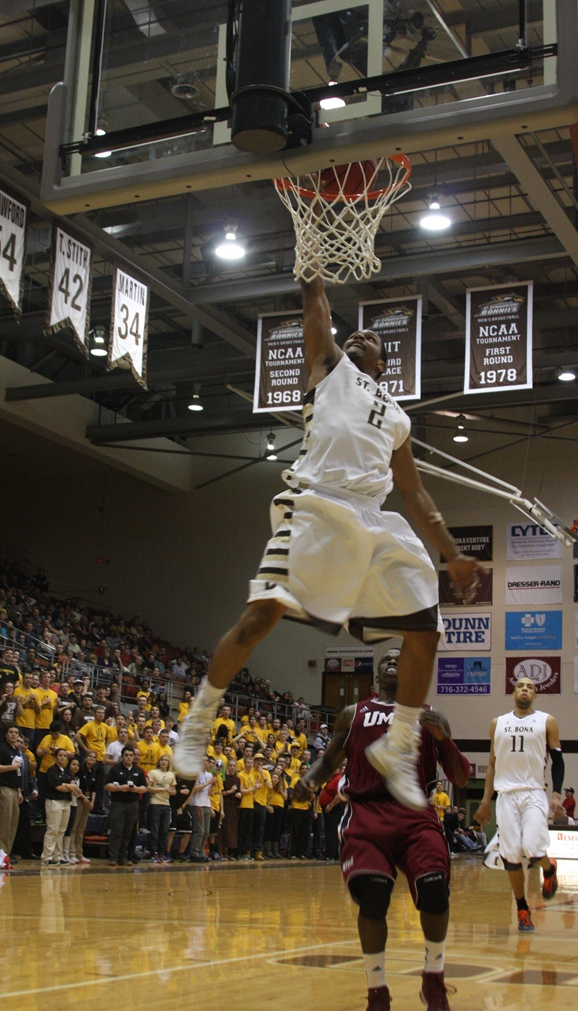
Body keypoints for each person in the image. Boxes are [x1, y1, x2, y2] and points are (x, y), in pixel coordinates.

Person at [174, 277, 482, 810]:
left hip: (375, 520)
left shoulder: (399, 418)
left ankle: (399, 743)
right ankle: (200, 718)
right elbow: (315, 304)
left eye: (374, 340)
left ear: (385, 367)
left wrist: (452, 554)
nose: (361, 335)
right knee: (259, 619)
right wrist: (311, 262)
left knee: (426, 631)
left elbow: (414, 492)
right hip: (317, 504)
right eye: (354, 332)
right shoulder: (329, 369)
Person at [294, 650, 470, 1011]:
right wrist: (307, 782)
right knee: (373, 898)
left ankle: (433, 978)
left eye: (400, 659)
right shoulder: (353, 713)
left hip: (416, 815)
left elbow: (461, 776)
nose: (392, 661)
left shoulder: (429, 714)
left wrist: (444, 739)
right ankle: (378, 991)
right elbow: (329, 761)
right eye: (386, 660)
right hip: (368, 814)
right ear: (376, 674)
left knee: (435, 889)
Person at [474, 677, 564, 932]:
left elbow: (558, 762)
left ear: (535, 695)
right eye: (520, 686)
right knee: (511, 859)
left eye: (530, 687)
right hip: (505, 795)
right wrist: (485, 801)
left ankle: (549, 867)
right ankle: (522, 909)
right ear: (513, 692)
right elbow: (492, 764)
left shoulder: (547, 721)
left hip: (534, 792)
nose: (525, 689)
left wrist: (556, 794)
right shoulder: (498, 723)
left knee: (534, 849)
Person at [105, 745, 147, 868]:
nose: (129, 757)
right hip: (118, 804)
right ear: (122, 756)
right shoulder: (115, 769)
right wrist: (119, 788)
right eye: (126, 755)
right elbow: (106, 785)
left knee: (128, 832)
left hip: (133, 804)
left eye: (130, 755)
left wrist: (136, 789)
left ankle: (124, 857)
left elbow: (145, 788)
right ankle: (113, 857)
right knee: (117, 831)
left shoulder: (138, 771)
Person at [42, 748, 80, 865]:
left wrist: (65, 785)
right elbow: (58, 787)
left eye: (64, 756)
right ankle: (47, 856)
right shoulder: (52, 770)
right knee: (53, 829)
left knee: (62, 830)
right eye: (60, 755)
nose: (62, 758)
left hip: (66, 802)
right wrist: (67, 786)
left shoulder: (67, 772)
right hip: (54, 801)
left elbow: (75, 787)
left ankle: (58, 856)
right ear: (56, 757)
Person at [0, 724, 23, 860]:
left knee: (13, 823)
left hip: (13, 790)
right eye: (11, 732)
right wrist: (12, 767)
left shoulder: (16, 751)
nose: (13, 735)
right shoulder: (1, 750)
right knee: (3, 823)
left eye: (16, 732)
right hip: (2, 789)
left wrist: (19, 791)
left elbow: (17, 773)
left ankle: (7, 853)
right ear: (6, 734)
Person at [147, 754, 176, 862]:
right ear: (159, 762)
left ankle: (161, 852)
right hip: (155, 803)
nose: (164, 762)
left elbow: (174, 791)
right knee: (155, 829)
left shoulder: (171, 775)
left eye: (166, 760)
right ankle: (153, 852)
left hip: (166, 804)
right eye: (162, 760)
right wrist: (162, 789)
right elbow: (148, 788)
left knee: (164, 830)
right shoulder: (153, 773)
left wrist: (170, 791)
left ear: (168, 763)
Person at [188, 755, 215, 862]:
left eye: (206, 761)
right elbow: (194, 790)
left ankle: (200, 852)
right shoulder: (196, 774)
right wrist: (208, 783)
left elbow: (209, 793)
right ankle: (194, 853)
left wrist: (212, 785)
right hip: (197, 804)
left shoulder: (209, 775)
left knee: (206, 831)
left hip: (206, 804)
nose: (205, 763)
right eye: (203, 761)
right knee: (200, 830)